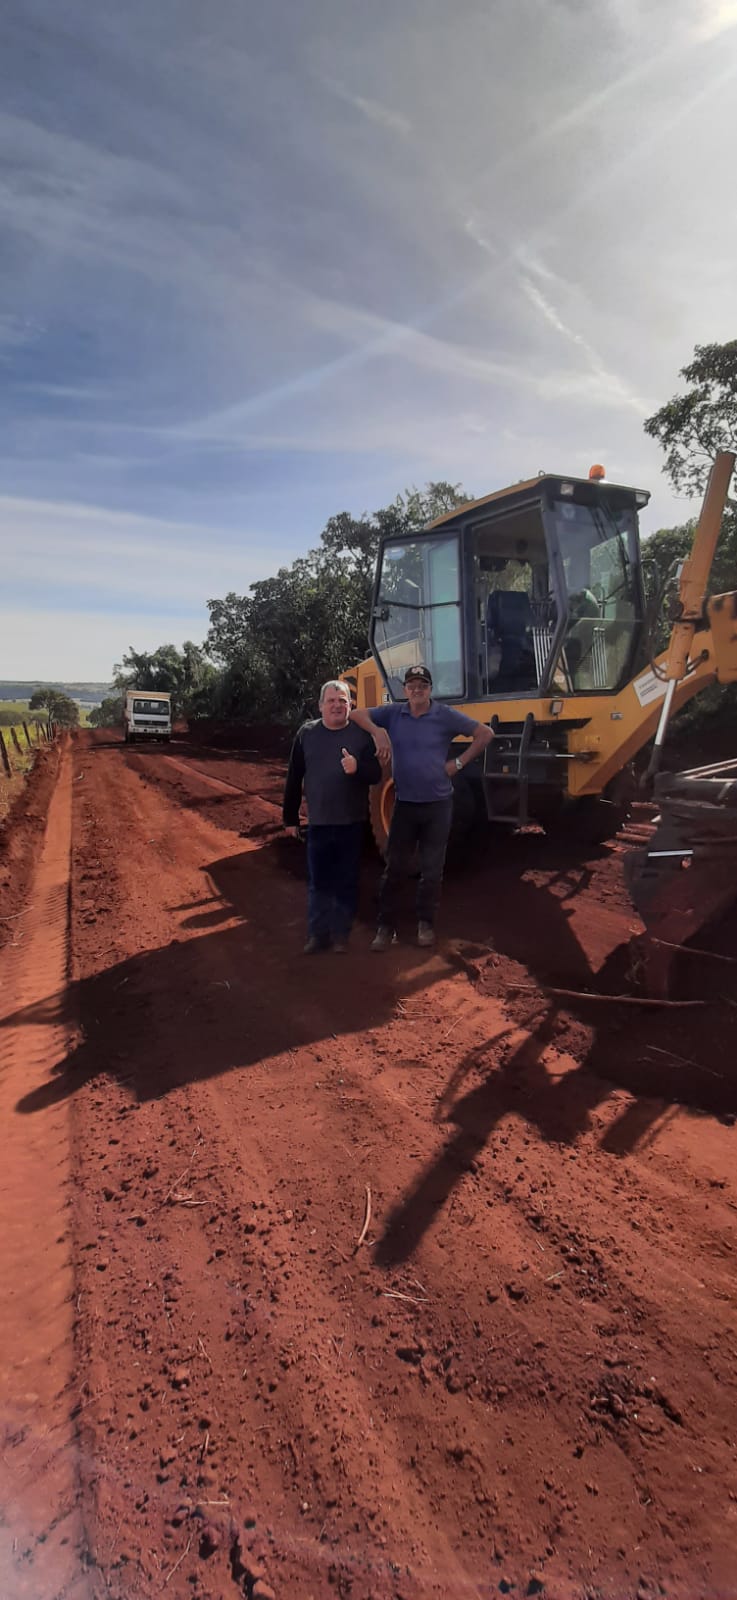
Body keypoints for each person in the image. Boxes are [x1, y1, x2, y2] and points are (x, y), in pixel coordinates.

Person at [350, 665, 494, 950]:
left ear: (430, 689)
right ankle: (385, 927)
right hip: (404, 805)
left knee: (431, 871)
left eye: (423, 685)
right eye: (412, 685)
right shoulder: (394, 713)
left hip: (438, 807)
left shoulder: (444, 715)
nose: (417, 690)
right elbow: (356, 714)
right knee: (395, 869)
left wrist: (458, 763)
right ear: (405, 690)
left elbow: (485, 734)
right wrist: (377, 731)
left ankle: (425, 925)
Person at [283, 679, 382, 953]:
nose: (337, 705)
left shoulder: (361, 736)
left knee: (347, 880)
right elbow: (294, 777)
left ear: (351, 705)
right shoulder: (307, 734)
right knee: (319, 881)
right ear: (320, 706)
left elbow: (375, 774)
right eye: (331, 701)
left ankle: (340, 935)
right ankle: (317, 935)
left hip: (352, 823)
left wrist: (357, 767)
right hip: (319, 823)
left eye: (343, 700)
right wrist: (290, 818)